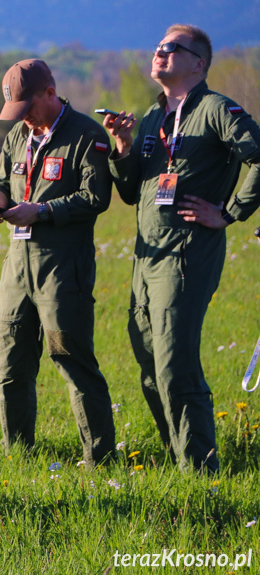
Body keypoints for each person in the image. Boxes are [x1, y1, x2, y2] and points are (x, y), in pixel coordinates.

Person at [103, 24, 260, 473]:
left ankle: (202, 469)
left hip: (187, 253)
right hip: (146, 256)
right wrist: (123, 146)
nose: (160, 53)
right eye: (157, 47)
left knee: (174, 362)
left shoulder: (216, 109)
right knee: (150, 362)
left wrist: (230, 212)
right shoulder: (151, 119)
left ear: (198, 63)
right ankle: (179, 457)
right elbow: (132, 192)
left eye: (172, 48)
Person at [0, 59, 116, 466]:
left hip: (61, 270)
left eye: (28, 109)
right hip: (16, 268)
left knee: (70, 359)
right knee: (11, 362)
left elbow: (96, 198)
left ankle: (100, 460)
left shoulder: (86, 135)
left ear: (50, 94)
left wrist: (40, 211)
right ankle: (18, 455)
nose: (25, 119)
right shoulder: (18, 136)